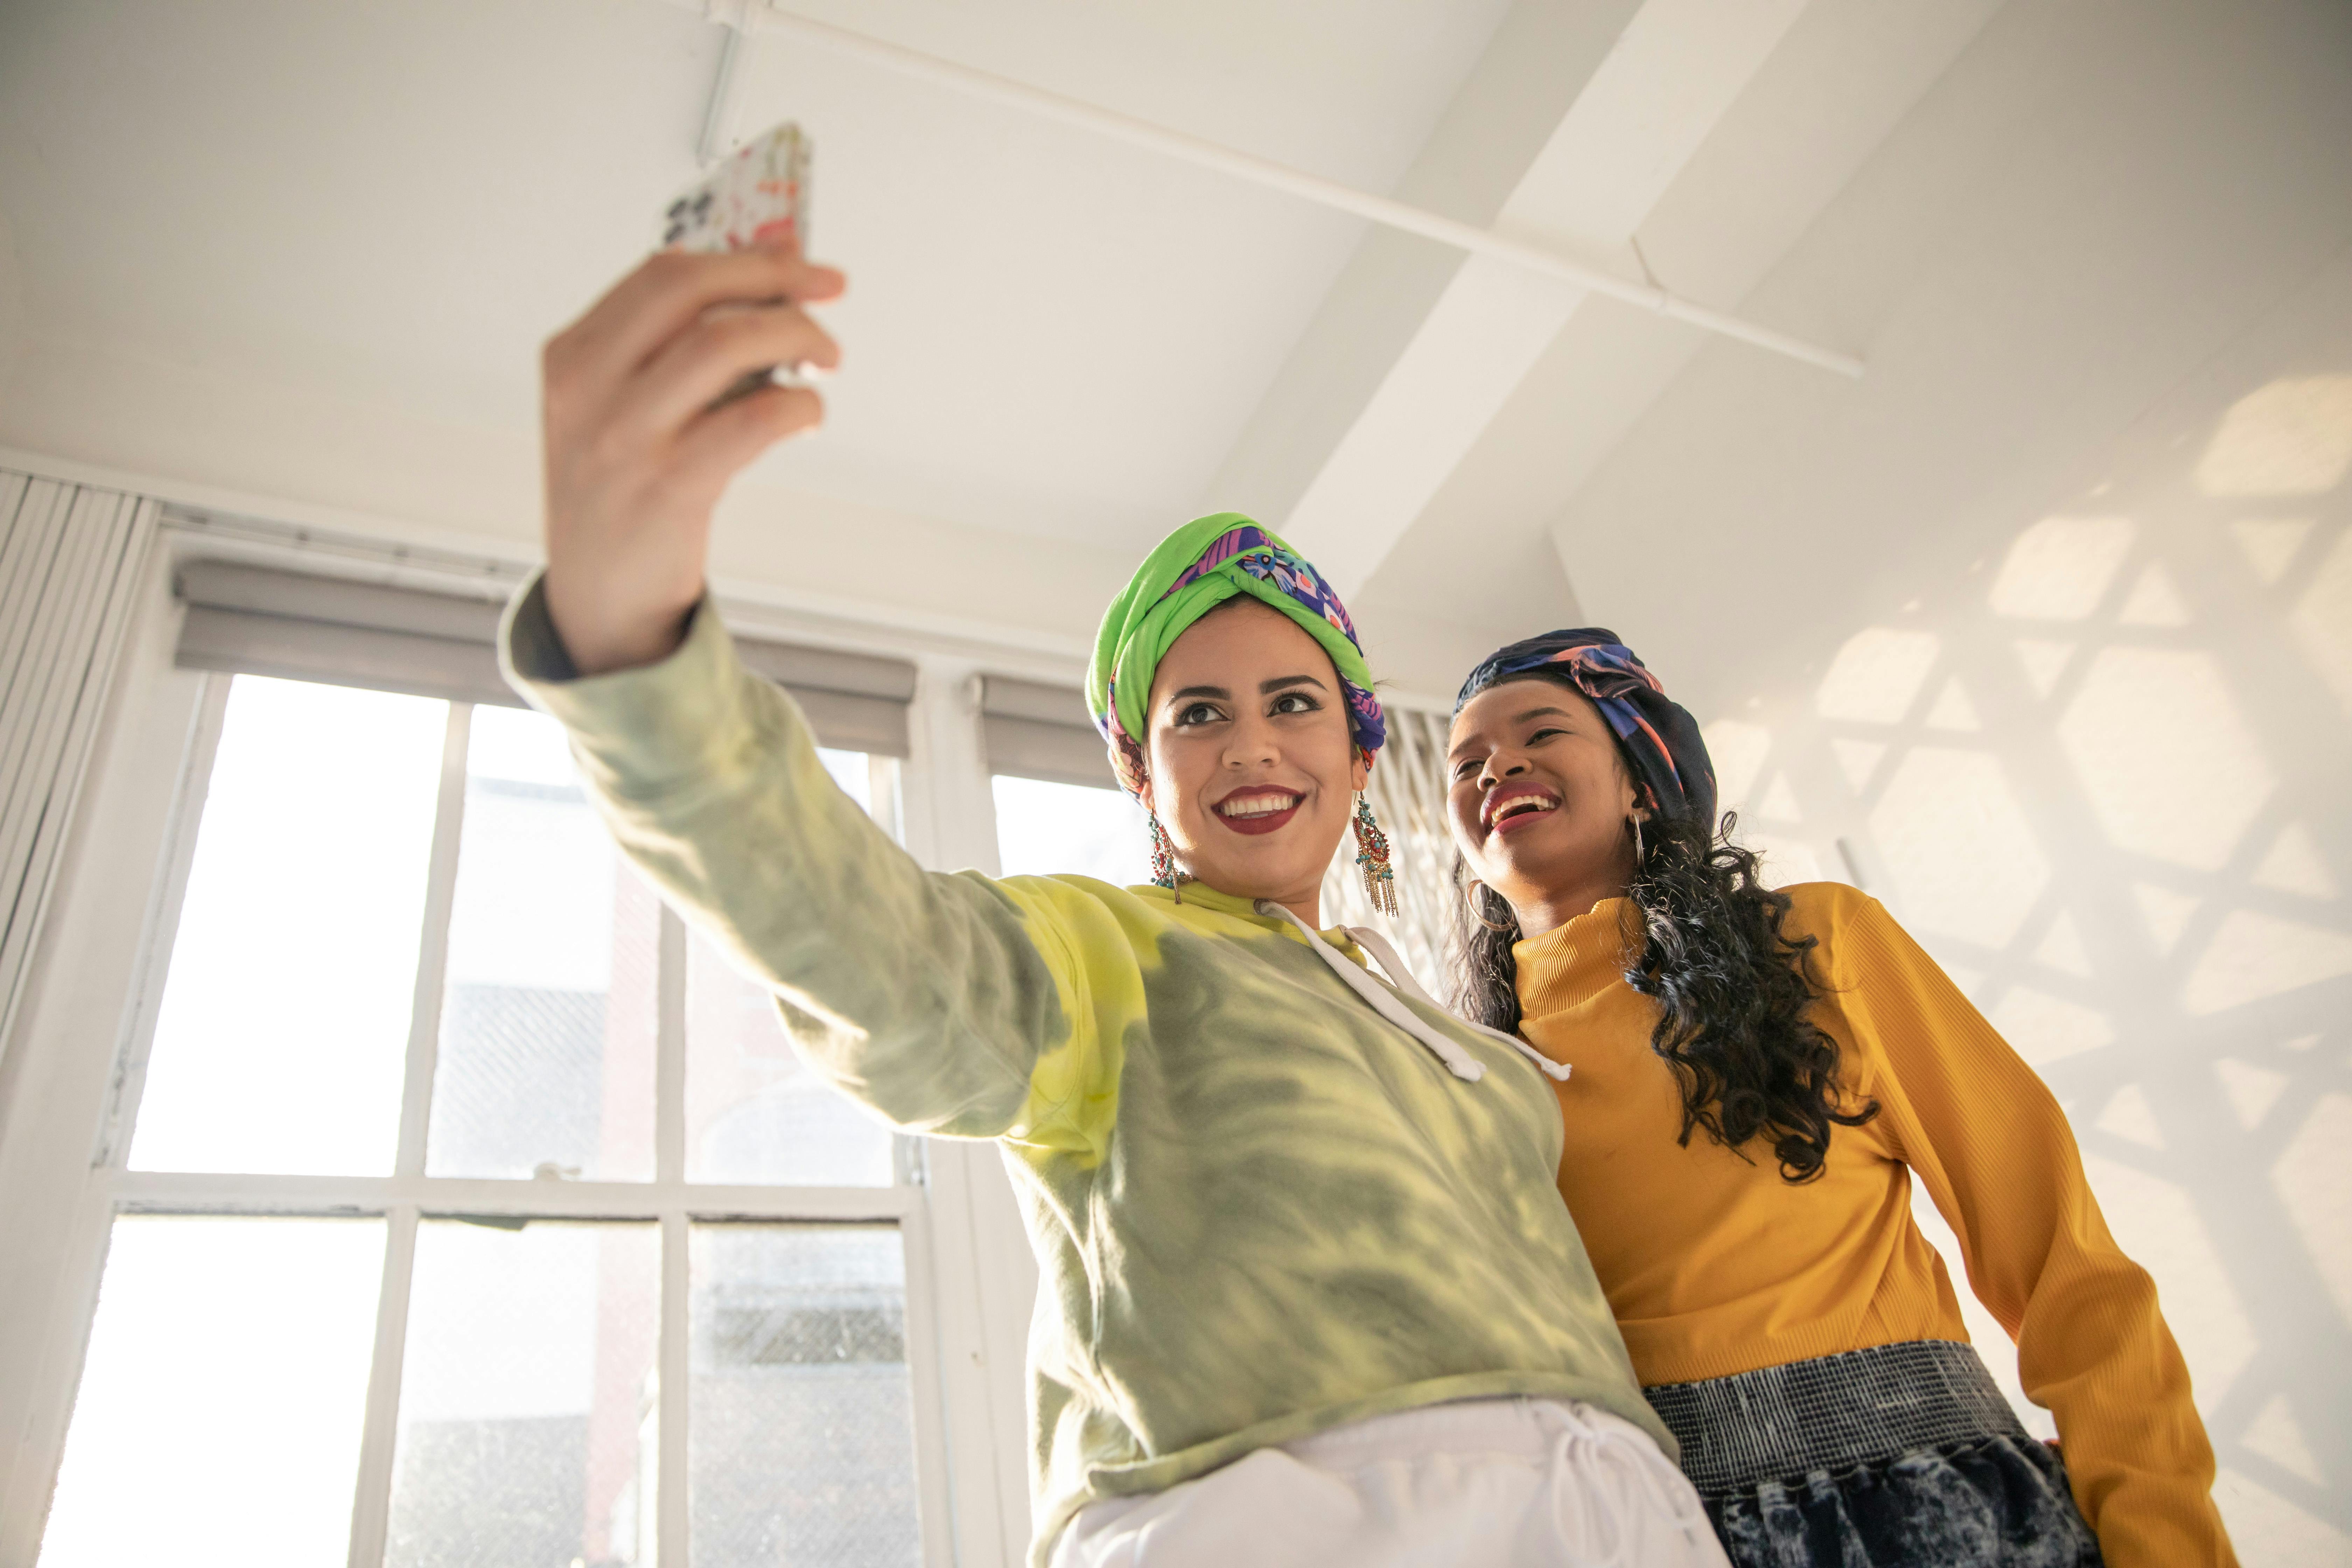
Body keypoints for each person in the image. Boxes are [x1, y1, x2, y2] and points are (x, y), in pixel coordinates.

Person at [506, 240, 1729, 1567]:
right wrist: (638, 660)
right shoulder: (1107, 958)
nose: (1252, 746)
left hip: (1615, 1513)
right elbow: (878, 952)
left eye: (1294, 703)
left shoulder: (1454, 1032)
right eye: (1197, 715)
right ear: (1146, 777)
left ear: (1360, 752)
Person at [1441, 628, 2239, 1568]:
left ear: (1640, 783)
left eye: (1542, 733)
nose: (1500, 768)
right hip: (1662, 1537)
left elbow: (2066, 1268)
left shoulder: (1816, 946)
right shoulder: (1466, 1075)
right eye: (1467, 763)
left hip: (1942, 1515)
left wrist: (2167, 1543)